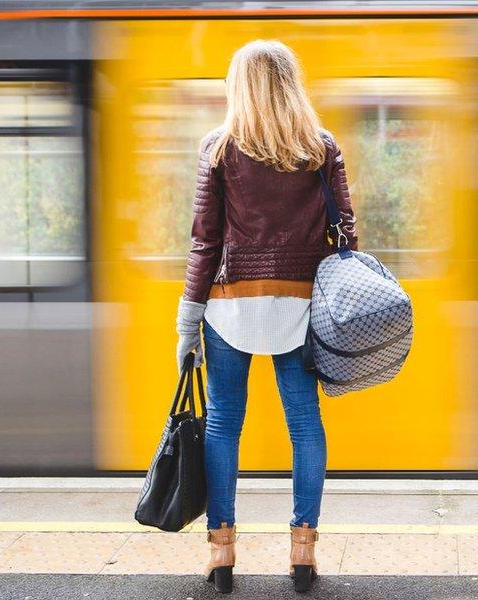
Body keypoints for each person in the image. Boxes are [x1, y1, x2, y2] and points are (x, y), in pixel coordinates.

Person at [174, 39, 357, 594]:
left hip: (230, 306)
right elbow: (346, 229)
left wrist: (188, 320)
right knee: (304, 425)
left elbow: (205, 241)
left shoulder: (219, 147)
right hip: (302, 306)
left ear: (240, 87)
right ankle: (303, 552)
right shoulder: (319, 147)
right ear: (290, 83)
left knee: (225, 423)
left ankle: (222, 553)